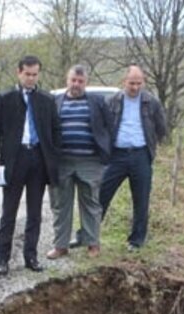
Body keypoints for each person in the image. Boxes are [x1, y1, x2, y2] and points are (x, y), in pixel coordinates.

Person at [0, 55, 61, 275]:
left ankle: (31, 256)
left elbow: (56, 131)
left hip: (38, 158)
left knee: (35, 212)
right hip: (14, 159)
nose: (31, 78)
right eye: (27, 74)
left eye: (35, 74)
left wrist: (53, 157)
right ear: (19, 73)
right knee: (9, 211)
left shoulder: (47, 100)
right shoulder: (5, 98)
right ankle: (2, 258)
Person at [47, 65, 114, 260]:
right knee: (60, 205)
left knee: (91, 203)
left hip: (90, 161)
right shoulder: (54, 102)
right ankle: (60, 246)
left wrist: (106, 153)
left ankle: (92, 243)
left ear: (86, 82)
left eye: (80, 81)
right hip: (62, 162)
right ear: (67, 80)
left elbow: (110, 127)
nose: (76, 84)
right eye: (73, 80)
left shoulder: (97, 102)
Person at [98, 65, 168, 250]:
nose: (135, 87)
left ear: (143, 82)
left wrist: (151, 147)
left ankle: (136, 241)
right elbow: (102, 128)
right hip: (117, 156)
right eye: (131, 83)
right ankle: (90, 235)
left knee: (141, 199)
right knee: (101, 195)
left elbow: (162, 129)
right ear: (124, 82)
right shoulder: (111, 101)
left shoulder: (151, 102)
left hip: (141, 155)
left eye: (139, 83)